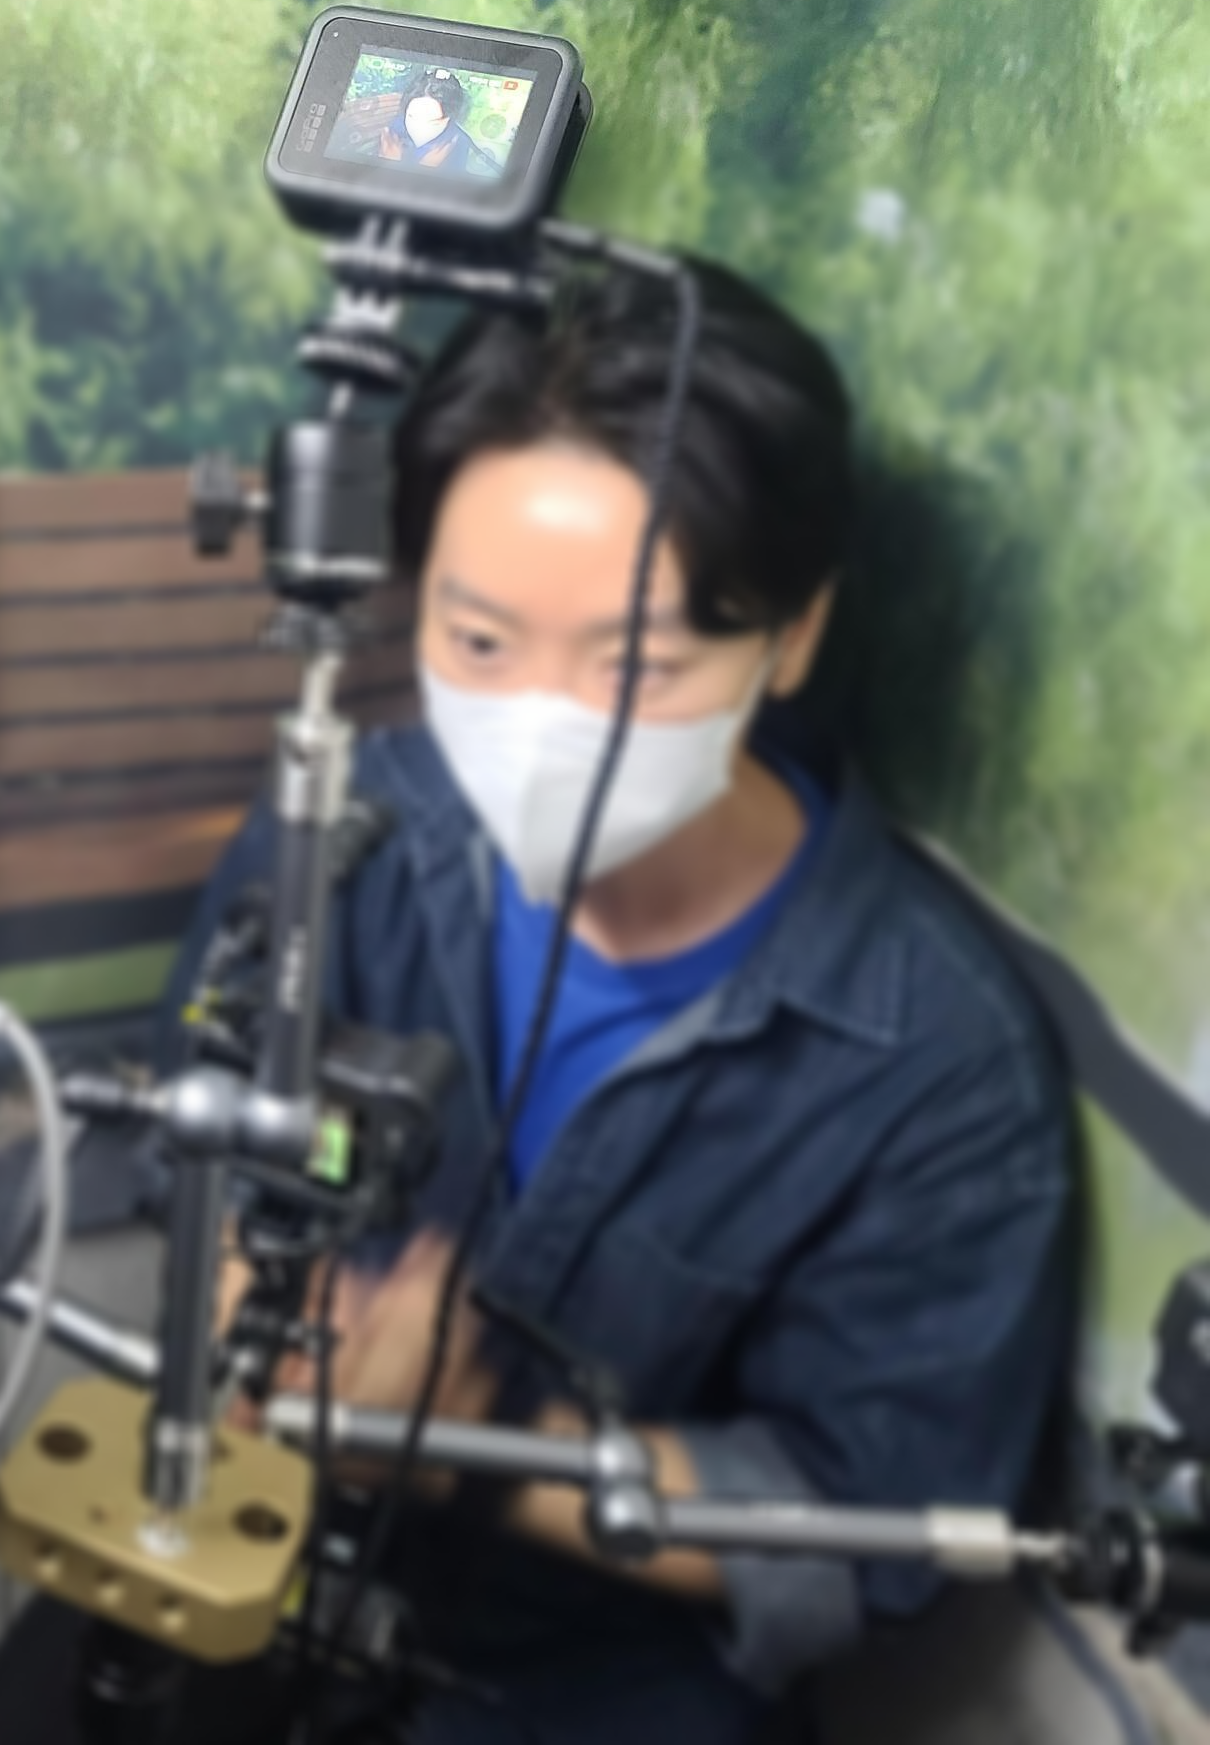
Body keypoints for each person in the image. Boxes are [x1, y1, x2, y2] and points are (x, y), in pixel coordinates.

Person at [158, 258, 1077, 1744]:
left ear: (791, 633)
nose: (542, 724)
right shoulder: (343, 839)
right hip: (262, 1566)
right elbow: (192, 1142)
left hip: (597, 1679)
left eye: (634, 666)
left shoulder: (936, 1063)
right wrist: (242, 1324)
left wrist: (482, 1443)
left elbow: (873, 1520)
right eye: (478, 644)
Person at [375, 67, 492, 175]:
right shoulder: (395, 130)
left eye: (433, 122)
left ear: (449, 119)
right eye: (411, 117)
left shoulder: (458, 142)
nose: (418, 128)